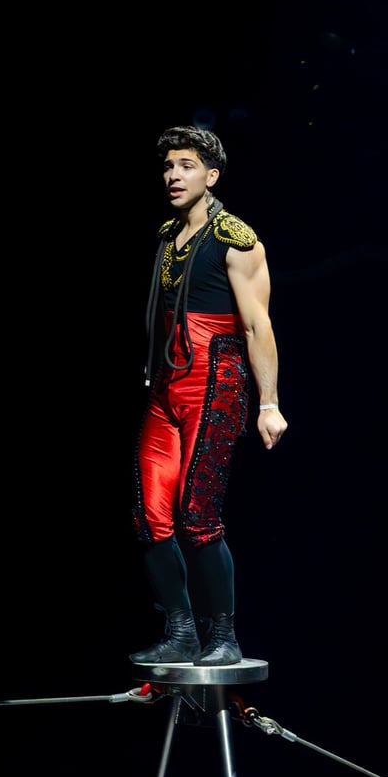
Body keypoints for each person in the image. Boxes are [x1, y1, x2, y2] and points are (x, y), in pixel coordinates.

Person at [130, 124, 288, 666]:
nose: (173, 175)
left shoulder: (236, 238)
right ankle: (180, 631)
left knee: (197, 515)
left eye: (187, 166)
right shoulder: (168, 235)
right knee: (151, 514)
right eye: (168, 166)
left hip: (214, 384)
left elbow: (258, 325)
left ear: (212, 175)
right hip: (166, 386)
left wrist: (269, 404)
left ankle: (223, 635)